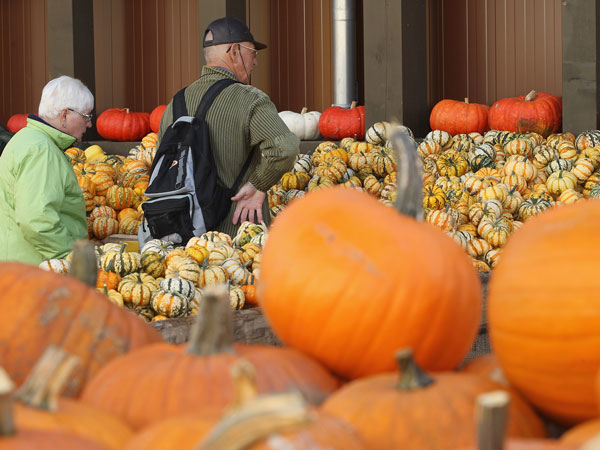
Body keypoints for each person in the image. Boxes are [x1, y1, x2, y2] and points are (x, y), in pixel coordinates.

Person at [158, 16, 299, 237]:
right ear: (234, 51)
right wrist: (258, 185)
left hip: (183, 237)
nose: (255, 62)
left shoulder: (174, 104)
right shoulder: (250, 98)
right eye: (253, 53)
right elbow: (286, 149)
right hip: (238, 234)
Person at [0, 75, 92, 265]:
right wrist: (74, 258)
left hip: (20, 263)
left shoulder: (28, 139)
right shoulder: (42, 150)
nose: (89, 124)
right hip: (34, 269)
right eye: (86, 116)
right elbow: (37, 221)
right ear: (64, 115)